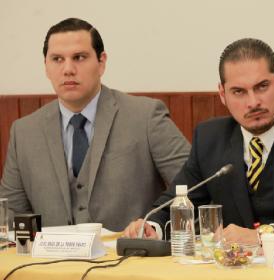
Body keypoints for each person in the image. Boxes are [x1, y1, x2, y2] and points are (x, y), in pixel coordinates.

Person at [124, 38, 274, 243]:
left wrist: (265, 236)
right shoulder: (210, 138)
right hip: (234, 275)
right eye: (239, 91)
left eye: (262, 87)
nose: (253, 102)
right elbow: (176, 201)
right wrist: (151, 226)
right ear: (222, 94)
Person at [0, 18, 191, 231]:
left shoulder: (145, 116)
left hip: (132, 257)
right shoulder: (25, 131)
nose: (68, 69)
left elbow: (194, 187)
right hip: (48, 262)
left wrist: (155, 226)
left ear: (101, 62)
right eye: (57, 59)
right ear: (46, 67)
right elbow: (9, 216)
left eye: (79, 57)